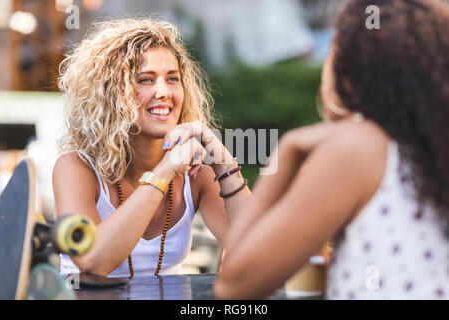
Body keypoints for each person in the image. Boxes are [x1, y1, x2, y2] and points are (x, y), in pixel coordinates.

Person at [214, 0, 449, 299]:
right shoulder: (432, 144)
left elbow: (233, 286)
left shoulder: (355, 149)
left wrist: (287, 151)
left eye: (331, 51)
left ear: (347, 71)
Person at [53, 17, 251, 277]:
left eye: (172, 79)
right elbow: (93, 261)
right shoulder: (76, 167)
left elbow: (257, 250)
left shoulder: (197, 171)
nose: (164, 92)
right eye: (146, 79)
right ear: (111, 94)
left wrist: (224, 162)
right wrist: (165, 170)